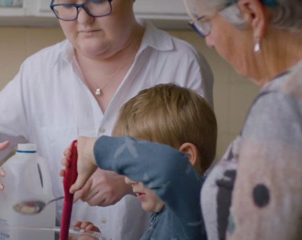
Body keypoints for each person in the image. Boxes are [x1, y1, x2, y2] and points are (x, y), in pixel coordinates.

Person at [0, 0, 214, 239]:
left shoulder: (181, 62)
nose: (83, 18)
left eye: (97, 1)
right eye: (67, 4)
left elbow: (190, 172)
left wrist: (124, 178)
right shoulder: (39, 71)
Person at [68, 0, 302, 239]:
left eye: (206, 23)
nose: (209, 40)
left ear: (253, 14)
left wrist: (95, 148)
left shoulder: (285, 102)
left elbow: (172, 168)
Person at [64, 84, 217, 240]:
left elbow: (170, 167)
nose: (128, 179)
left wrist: (93, 149)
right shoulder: (163, 215)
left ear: (186, 157)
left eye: (137, 165)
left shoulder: (194, 207)